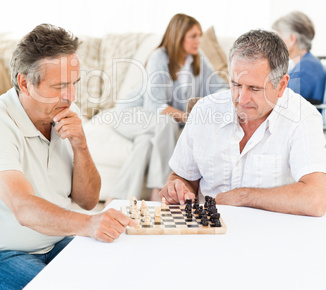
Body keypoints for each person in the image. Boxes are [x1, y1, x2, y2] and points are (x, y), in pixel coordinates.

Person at [0, 24, 136, 289]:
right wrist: (89, 225)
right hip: (7, 252)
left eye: (74, 84)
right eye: (60, 86)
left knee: (121, 274)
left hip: (55, 241)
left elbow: (87, 201)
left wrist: (80, 145)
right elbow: (23, 208)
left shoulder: (60, 111)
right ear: (25, 83)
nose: (71, 97)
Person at [159, 29, 326, 216]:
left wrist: (243, 197)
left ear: (281, 85)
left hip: (271, 238)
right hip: (209, 235)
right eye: (236, 84)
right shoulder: (204, 110)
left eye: (254, 88)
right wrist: (177, 187)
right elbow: (183, 177)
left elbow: (316, 199)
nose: (242, 98)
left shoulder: (303, 117)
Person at [107, 13, 227, 202]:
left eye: (200, 35)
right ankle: (159, 191)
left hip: (152, 124)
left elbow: (218, 86)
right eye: (193, 36)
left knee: (145, 144)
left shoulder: (197, 58)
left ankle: (118, 199)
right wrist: (189, 117)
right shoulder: (159, 57)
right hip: (131, 114)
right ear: (179, 37)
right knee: (167, 123)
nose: (199, 41)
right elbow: (155, 106)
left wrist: (234, 94)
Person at [272, 11, 326, 104]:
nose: (276, 44)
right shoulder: (305, 63)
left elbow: (286, 104)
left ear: (292, 39)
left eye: (279, 37)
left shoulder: (306, 68)